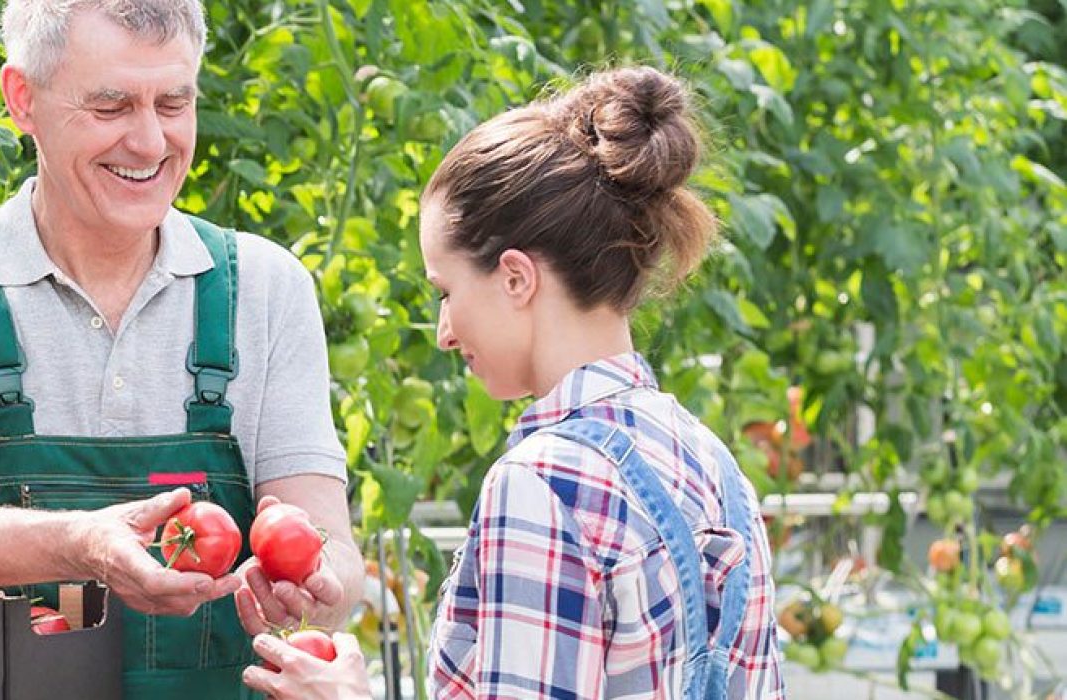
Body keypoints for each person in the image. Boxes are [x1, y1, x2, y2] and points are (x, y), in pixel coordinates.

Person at [0, 1, 364, 696]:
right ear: (23, 99)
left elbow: (333, 547)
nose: (149, 141)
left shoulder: (263, 287)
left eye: (173, 102)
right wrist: (81, 544)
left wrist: (315, 583)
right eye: (110, 106)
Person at [243, 67, 786, 699]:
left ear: (516, 279)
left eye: (447, 291)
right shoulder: (715, 467)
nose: (445, 331)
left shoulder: (543, 485)